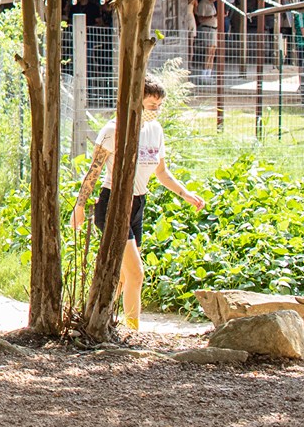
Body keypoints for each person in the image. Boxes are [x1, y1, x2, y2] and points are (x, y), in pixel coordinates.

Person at [71, 78, 206, 332]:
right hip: (113, 203)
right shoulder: (113, 130)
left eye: (159, 106)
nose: (156, 111)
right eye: (151, 105)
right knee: (136, 274)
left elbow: (162, 172)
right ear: (136, 103)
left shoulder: (156, 130)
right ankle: (133, 331)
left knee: (122, 276)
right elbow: (94, 171)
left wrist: (186, 194)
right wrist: (79, 207)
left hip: (138, 204)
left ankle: (100, 324)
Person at [193, 0, 226, 78]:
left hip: (214, 29)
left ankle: (209, 73)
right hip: (207, 29)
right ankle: (204, 74)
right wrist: (213, 16)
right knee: (208, 51)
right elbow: (200, 18)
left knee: (213, 51)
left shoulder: (211, 4)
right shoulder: (203, 4)